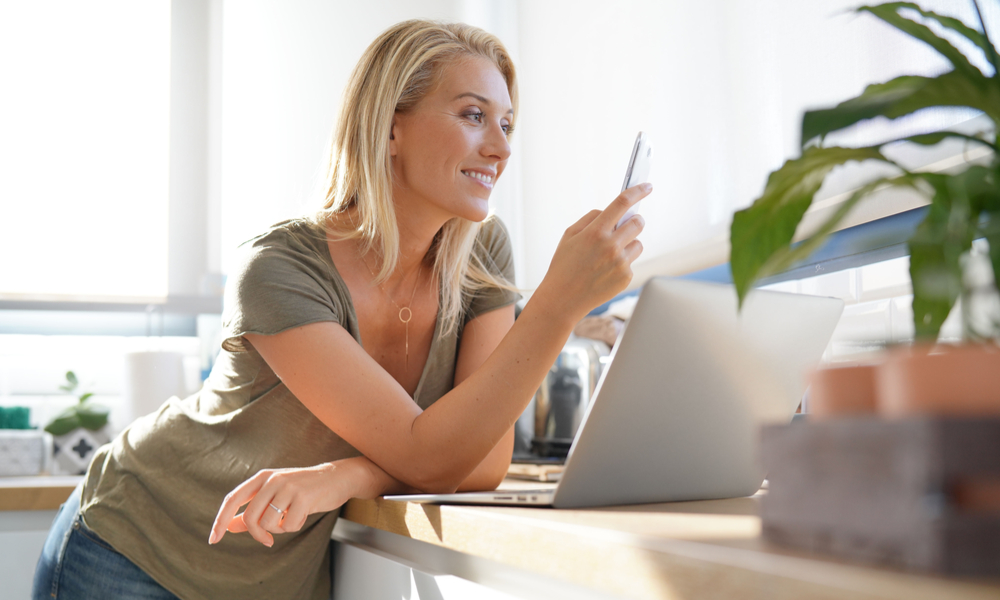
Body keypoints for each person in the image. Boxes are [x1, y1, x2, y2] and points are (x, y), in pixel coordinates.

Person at [32, 19, 649, 600]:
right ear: (390, 128)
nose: (500, 148)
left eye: (507, 125)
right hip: (135, 545)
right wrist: (557, 305)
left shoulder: (482, 253)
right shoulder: (278, 267)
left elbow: (482, 461)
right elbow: (430, 456)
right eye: (473, 115)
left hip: (273, 574)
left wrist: (348, 476)